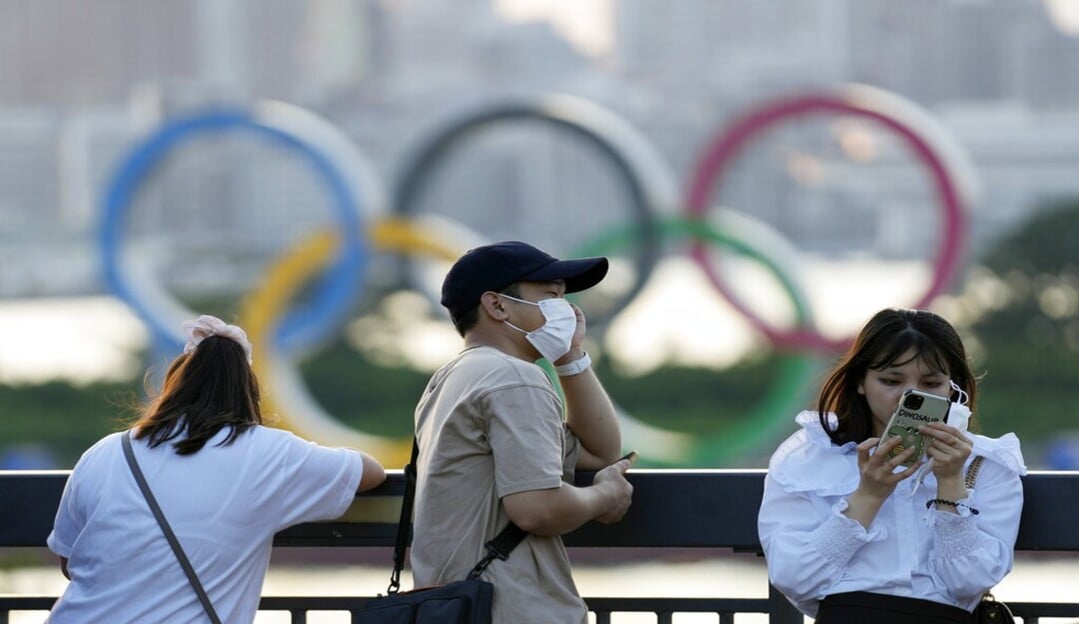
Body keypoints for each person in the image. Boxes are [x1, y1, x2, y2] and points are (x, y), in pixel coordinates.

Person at [46, 314, 386, 623]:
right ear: (248, 390)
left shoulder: (105, 451)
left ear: (175, 384)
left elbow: (70, 562)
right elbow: (371, 472)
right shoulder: (270, 452)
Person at [410, 241, 635, 624]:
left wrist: (569, 355)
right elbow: (537, 508)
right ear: (497, 306)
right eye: (551, 296)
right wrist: (605, 496)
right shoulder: (514, 379)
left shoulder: (454, 377)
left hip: (455, 606)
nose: (566, 310)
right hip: (510, 607)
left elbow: (599, 452)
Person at [758, 308, 1026, 623]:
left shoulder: (985, 462)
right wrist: (868, 496)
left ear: (953, 387)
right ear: (860, 381)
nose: (908, 395)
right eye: (890, 380)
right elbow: (794, 578)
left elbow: (970, 583)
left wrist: (951, 482)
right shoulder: (810, 457)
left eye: (931, 383)